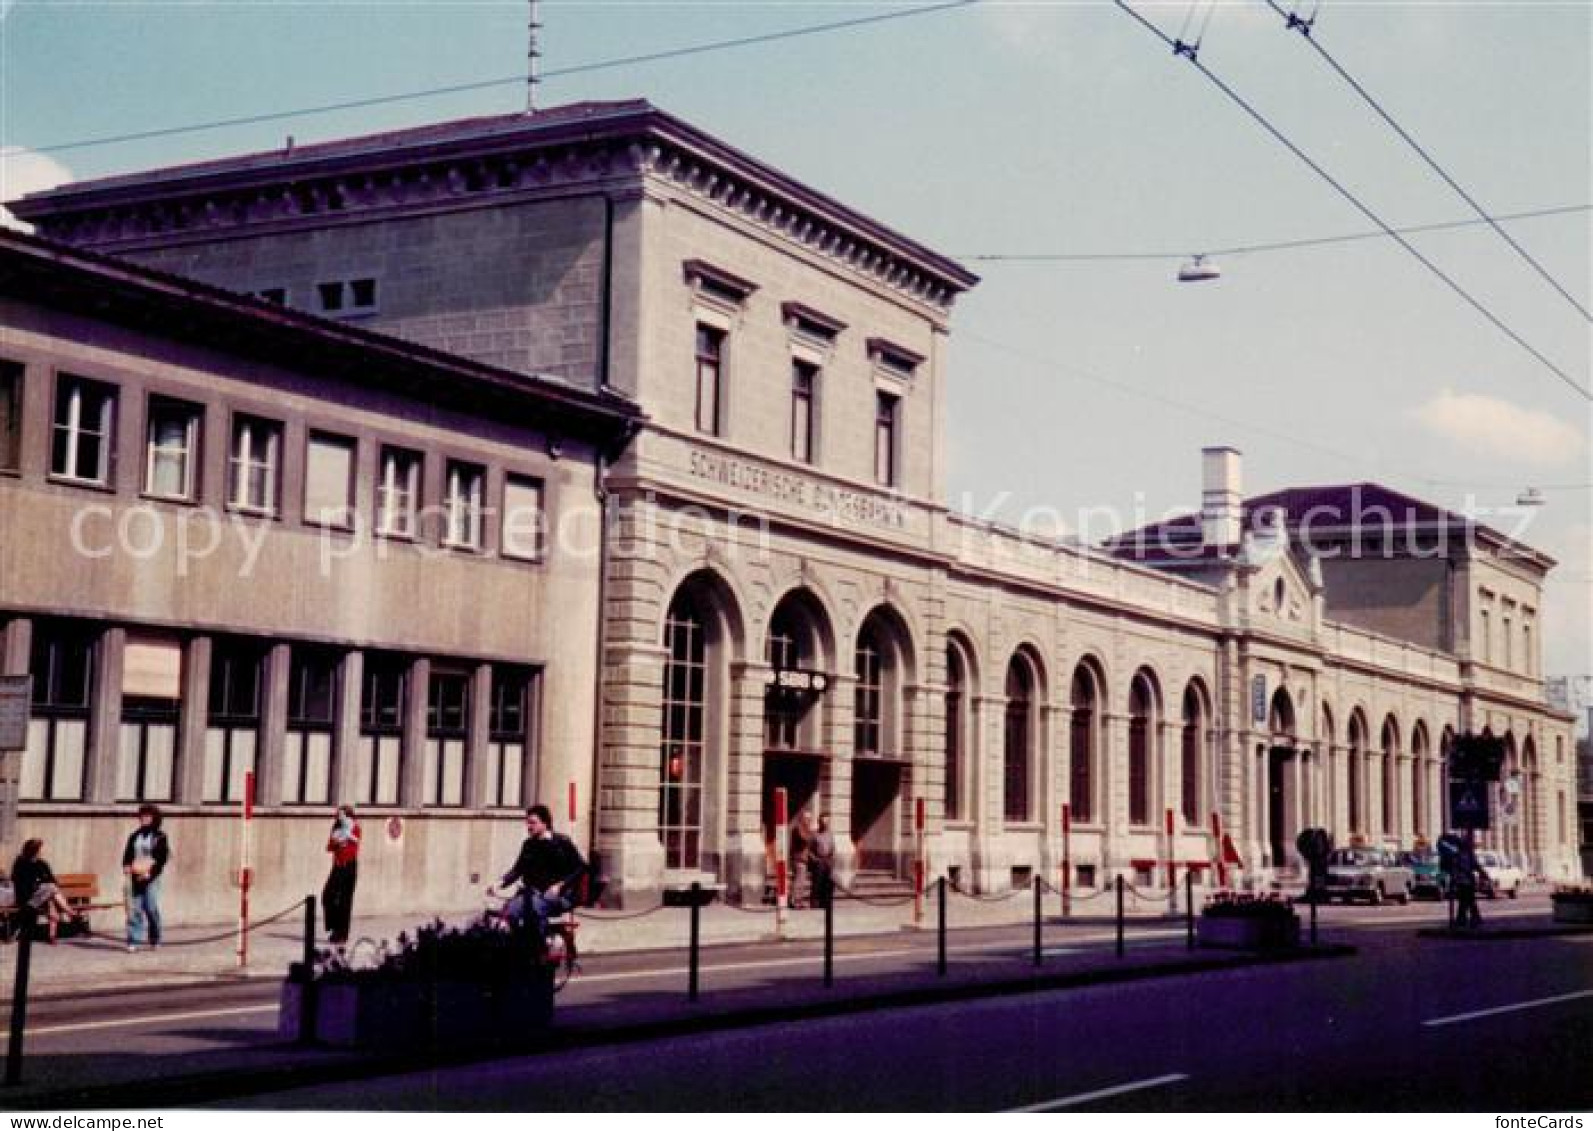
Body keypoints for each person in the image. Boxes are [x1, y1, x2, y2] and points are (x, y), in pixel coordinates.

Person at [489, 804, 587, 944]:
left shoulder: (562, 843)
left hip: (560, 895)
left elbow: (580, 867)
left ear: (545, 823)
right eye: (527, 823)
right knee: (510, 911)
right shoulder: (528, 845)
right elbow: (518, 869)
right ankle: (517, 946)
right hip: (532, 893)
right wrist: (500, 883)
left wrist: (561, 885)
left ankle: (539, 948)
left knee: (535, 909)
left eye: (533, 823)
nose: (529, 826)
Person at [11, 839, 81, 944]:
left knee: (51, 896)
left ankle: (52, 936)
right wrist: (40, 884)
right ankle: (70, 913)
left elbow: (52, 879)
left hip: (42, 895)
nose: (41, 852)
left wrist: (41, 883)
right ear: (33, 851)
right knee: (51, 889)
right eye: (39, 850)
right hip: (27, 898)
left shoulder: (42, 863)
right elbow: (22, 884)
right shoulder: (20, 863)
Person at [122, 803, 170, 952]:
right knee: (134, 908)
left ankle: (155, 938)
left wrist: (150, 874)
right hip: (135, 876)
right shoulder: (134, 836)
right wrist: (126, 865)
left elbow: (161, 859)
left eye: (147, 816)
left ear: (154, 818)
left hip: (151, 875)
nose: (143, 818)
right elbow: (127, 854)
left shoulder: (160, 837)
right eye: (142, 816)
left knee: (150, 907)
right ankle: (133, 940)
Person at [322, 805, 361, 946]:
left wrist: (340, 844)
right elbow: (329, 846)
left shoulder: (355, 827)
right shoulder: (336, 827)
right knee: (327, 896)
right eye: (337, 815)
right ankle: (333, 927)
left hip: (348, 865)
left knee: (345, 900)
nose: (338, 817)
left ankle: (342, 933)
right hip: (338, 865)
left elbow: (353, 848)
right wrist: (337, 844)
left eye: (341, 814)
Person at [1452, 834, 1483, 929]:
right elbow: (1475, 865)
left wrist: (1482, 873)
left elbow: (1475, 865)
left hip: (1466, 881)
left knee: (1466, 901)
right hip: (1464, 881)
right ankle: (1471, 919)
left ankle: (1466, 919)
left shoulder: (1463, 854)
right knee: (1467, 901)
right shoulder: (1463, 855)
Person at [808, 813, 836, 910]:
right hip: (819, 861)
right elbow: (809, 850)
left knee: (827, 883)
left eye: (827, 821)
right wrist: (814, 859)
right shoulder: (815, 834)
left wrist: (832, 859)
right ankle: (814, 903)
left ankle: (825, 903)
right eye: (823, 821)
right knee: (817, 883)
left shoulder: (831, 834)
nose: (825, 823)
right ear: (820, 822)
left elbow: (833, 848)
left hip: (828, 861)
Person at [788, 809, 815, 909]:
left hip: (803, 859)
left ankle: (798, 900)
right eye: (807, 818)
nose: (809, 820)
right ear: (802, 818)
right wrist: (811, 833)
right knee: (799, 881)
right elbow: (804, 839)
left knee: (801, 881)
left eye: (810, 818)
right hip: (798, 859)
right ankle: (794, 901)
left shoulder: (805, 829)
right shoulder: (798, 828)